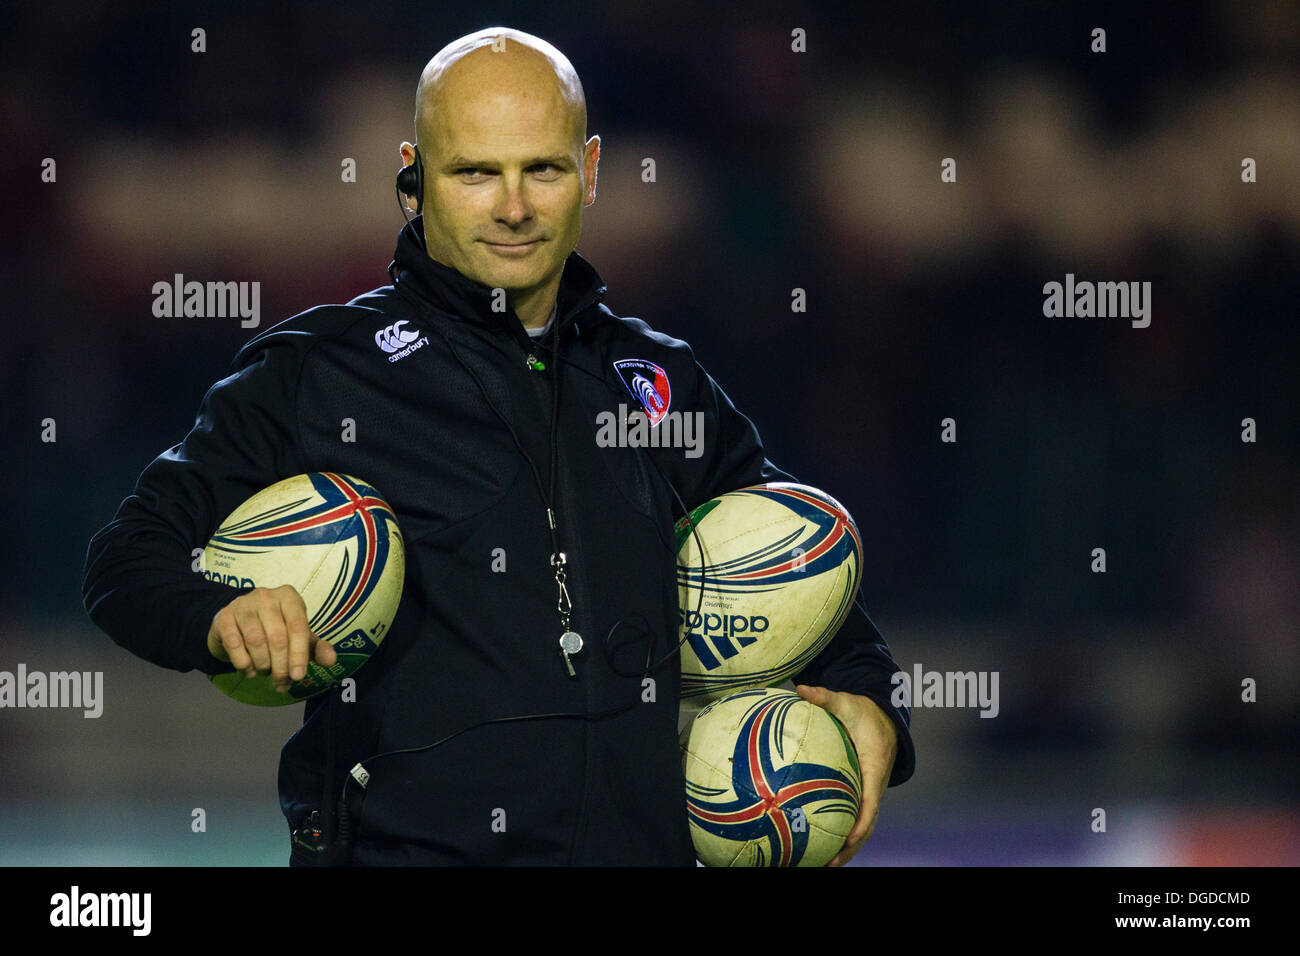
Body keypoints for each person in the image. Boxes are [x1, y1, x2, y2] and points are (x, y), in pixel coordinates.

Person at [83, 26, 914, 866]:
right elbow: (127, 562)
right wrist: (219, 613)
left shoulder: (657, 381)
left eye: (541, 170)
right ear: (413, 176)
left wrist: (869, 697)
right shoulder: (319, 372)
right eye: (475, 171)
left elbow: (794, 563)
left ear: (589, 172)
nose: (513, 207)